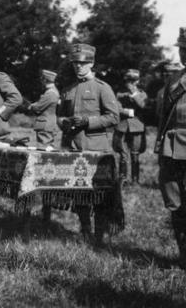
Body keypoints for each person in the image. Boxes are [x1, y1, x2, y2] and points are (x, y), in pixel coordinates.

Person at [57, 43, 119, 244]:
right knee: (79, 194)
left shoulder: (103, 88)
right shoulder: (68, 89)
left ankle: (99, 236)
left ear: (91, 63)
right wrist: (64, 123)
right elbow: (59, 117)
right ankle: (85, 231)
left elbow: (113, 117)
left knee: (98, 195)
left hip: (96, 150)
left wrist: (88, 122)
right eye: (75, 63)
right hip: (74, 148)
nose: (79, 67)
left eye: (83, 63)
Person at [156, 27, 186, 268]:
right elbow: (163, 118)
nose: (184, 54)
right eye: (183, 49)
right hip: (171, 150)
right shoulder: (174, 81)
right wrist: (159, 147)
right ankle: (183, 256)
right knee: (175, 204)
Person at [113, 69, 147, 185]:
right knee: (123, 154)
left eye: (134, 80)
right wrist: (128, 113)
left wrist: (134, 94)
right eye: (129, 80)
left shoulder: (142, 93)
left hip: (137, 127)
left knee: (135, 154)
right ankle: (123, 179)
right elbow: (115, 107)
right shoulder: (119, 93)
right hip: (122, 126)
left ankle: (135, 180)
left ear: (138, 81)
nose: (131, 83)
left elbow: (143, 105)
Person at [28, 69, 60, 149]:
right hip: (48, 124)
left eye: (42, 79)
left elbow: (38, 108)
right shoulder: (52, 92)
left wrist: (31, 106)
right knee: (47, 148)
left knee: (43, 149)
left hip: (45, 125)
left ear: (45, 80)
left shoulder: (50, 93)